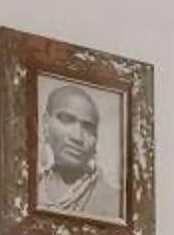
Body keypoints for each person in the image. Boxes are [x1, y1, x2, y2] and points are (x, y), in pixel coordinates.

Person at [35, 82, 124, 220]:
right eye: (67, 120)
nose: (78, 137)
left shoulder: (115, 204)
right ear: (46, 124)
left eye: (88, 128)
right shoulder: (27, 189)